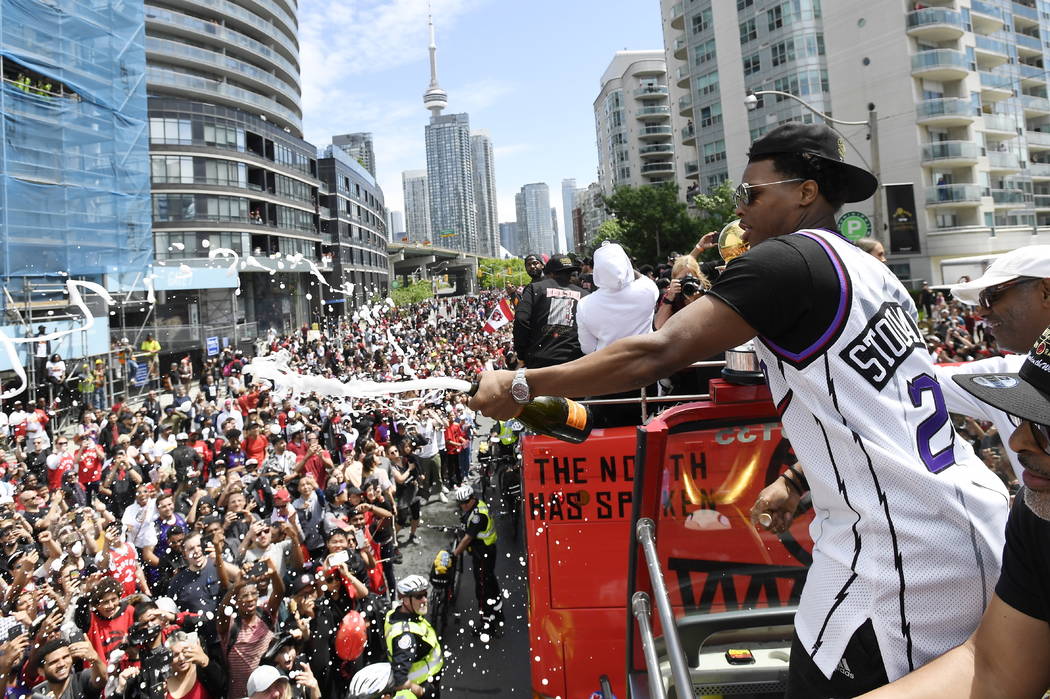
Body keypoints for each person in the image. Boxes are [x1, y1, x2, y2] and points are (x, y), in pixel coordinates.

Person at [468, 121, 1010, 698]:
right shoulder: (871, 269)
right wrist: (799, 479)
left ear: (805, 193)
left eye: (751, 194)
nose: (739, 210)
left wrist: (521, 384)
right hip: (959, 520)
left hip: (900, 555)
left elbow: (660, 349)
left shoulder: (786, 259)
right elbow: (884, 409)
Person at [861, 324, 1050, 697]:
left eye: (1045, 428)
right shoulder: (1039, 517)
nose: (1017, 441)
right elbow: (990, 670)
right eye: (1020, 418)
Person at [577, 242, 658, 354]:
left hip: (609, 368)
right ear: (627, 263)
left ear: (597, 269)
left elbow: (588, 349)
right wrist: (620, 261)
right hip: (646, 364)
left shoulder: (584, 305)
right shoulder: (648, 289)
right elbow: (641, 277)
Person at [512, 254, 587, 369]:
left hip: (540, 361)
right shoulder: (585, 295)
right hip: (575, 361)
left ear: (549, 273)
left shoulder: (534, 289)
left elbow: (521, 320)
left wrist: (522, 355)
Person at [451, 484, 503, 636]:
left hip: (482, 555)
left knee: (482, 590)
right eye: (461, 503)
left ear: (471, 499)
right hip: (488, 551)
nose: (463, 506)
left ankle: (487, 624)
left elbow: (467, 539)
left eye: (465, 502)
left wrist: (454, 554)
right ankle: (497, 612)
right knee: (491, 582)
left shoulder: (477, 517)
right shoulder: (479, 505)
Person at [384, 576, 443, 698]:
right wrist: (419, 691)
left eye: (425, 594)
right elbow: (399, 679)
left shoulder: (395, 613)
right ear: (405, 600)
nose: (425, 600)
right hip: (422, 686)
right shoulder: (406, 637)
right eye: (419, 596)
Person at [32, 637, 107, 699]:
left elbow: (102, 679)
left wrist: (95, 659)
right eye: (54, 662)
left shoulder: (81, 680)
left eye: (65, 657)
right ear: (41, 671)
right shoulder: (39, 693)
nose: (61, 664)